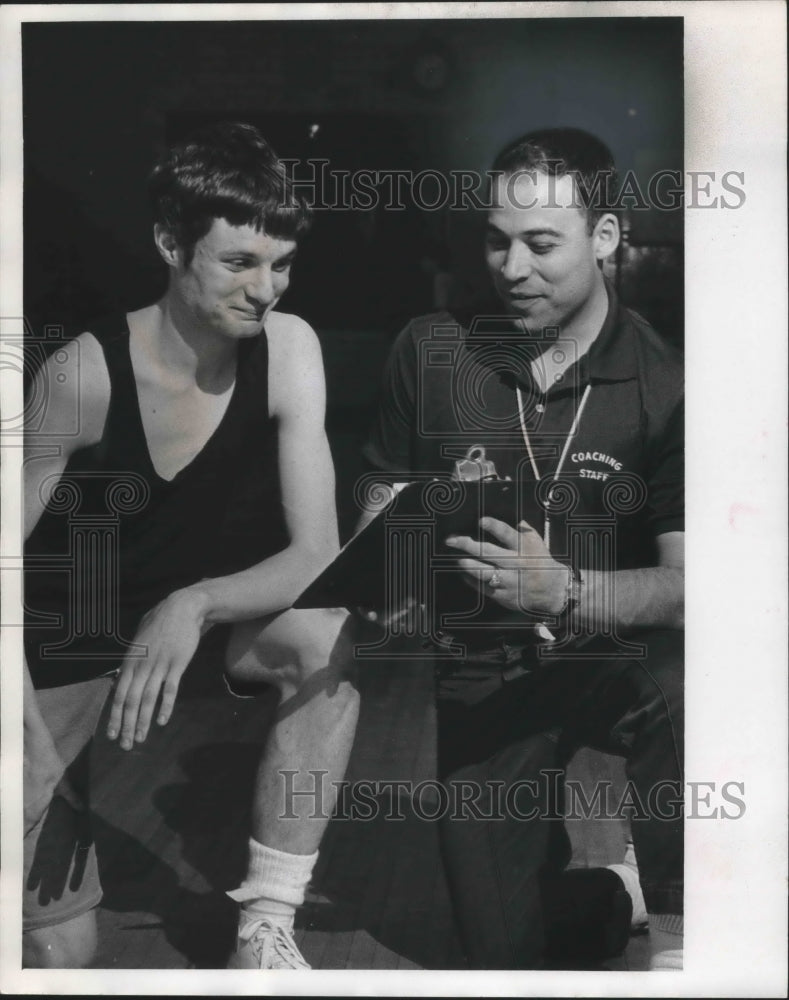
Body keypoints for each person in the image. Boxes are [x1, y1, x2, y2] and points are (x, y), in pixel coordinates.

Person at [23, 121, 359, 970]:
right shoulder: (82, 376)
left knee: (322, 640)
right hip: (51, 652)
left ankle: (265, 928)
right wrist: (16, 730)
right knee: (61, 957)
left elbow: (315, 553)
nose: (265, 289)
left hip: (181, 628)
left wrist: (195, 602)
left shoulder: (290, 350)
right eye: (239, 262)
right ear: (171, 246)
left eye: (281, 265)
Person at [361, 128, 684, 970]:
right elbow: (381, 501)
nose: (510, 268)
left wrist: (567, 592)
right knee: (506, 955)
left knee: (689, 681)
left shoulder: (667, 383)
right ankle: (617, 892)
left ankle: (684, 937)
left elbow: (691, 588)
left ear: (604, 237)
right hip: (483, 664)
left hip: (613, 653)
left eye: (540, 245)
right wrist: (391, 573)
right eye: (496, 241)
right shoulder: (428, 350)